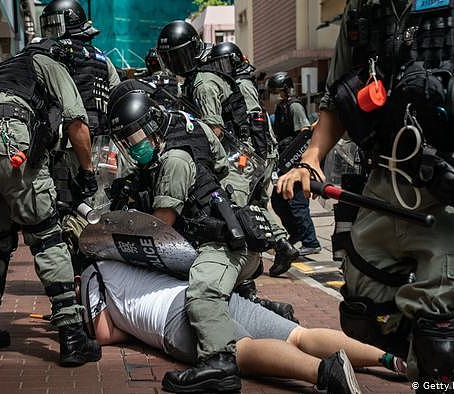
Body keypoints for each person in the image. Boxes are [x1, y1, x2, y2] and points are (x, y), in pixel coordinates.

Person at [276, 0, 454, 390]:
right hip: (384, 180)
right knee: (363, 318)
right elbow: (337, 96)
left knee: (439, 339)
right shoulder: (363, 8)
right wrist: (311, 157)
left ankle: (446, 369)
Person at [0, 38, 100, 367]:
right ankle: (72, 337)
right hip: (9, 145)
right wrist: (88, 172)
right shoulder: (46, 63)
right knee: (47, 237)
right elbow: (76, 122)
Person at [107, 83, 266, 392]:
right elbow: (222, 165)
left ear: (152, 127)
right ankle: (265, 308)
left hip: (220, 241)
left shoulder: (173, 161)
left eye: (136, 137)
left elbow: (160, 227)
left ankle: (219, 363)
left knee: (201, 292)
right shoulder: (187, 123)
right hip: (221, 232)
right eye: (127, 141)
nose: (133, 146)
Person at [81, 260, 407, 394]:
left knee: (241, 349)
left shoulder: (92, 271)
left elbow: (103, 333)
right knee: (300, 334)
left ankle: (325, 373)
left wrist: (127, 324)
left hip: (172, 318)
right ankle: (390, 360)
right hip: (209, 289)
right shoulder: (129, 249)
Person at [156, 21, 303, 281]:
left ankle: (245, 280)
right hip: (250, 153)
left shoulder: (202, 83)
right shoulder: (207, 76)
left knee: (236, 212)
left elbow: (214, 129)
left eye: (178, 56)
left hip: (238, 157)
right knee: (254, 207)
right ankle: (281, 245)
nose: (175, 63)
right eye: (170, 58)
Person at [39, 0, 120, 264]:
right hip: (104, 145)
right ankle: (100, 266)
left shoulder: (51, 56)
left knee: (64, 208)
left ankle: (75, 268)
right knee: (101, 206)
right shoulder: (103, 59)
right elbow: (117, 97)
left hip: (68, 146)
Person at [267, 72, 321, 277]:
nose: (275, 95)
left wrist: (298, 162)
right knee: (278, 200)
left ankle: (311, 242)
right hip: (285, 163)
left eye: (277, 91)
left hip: (296, 164)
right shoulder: (281, 108)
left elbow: (304, 133)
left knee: (297, 203)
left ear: (286, 89)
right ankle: (296, 233)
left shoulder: (295, 107)